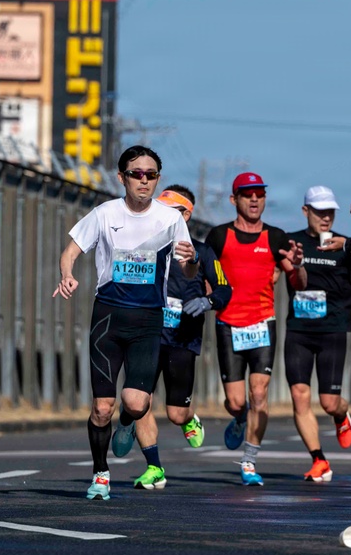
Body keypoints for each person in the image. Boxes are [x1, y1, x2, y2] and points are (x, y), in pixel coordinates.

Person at [52, 146, 197, 500]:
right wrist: (67, 274)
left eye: (150, 174)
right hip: (108, 317)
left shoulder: (170, 219)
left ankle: (129, 425)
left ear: (157, 179)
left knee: (135, 403)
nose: (143, 180)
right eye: (136, 174)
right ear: (122, 177)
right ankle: (101, 474)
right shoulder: (104, 213)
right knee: (102, 407)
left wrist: (192, 261)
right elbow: (70, 250)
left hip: (149, 320)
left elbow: (187, 270)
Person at [108, 185, 232, 489]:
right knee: (140, 402)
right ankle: (154, 467)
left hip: (182, 340)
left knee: (175, 414)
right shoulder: (145, 244)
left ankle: (188, 417)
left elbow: (224, 289)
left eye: (171, 210)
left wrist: (208, 302)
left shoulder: (202, 252)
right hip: (146, 337)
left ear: (186, 216)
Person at [205, 172, 307, 486]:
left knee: (259, 394)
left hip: (263, 323)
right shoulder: (219, 236)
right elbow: (208, 275)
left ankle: (249, 461)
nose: (254, 199)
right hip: (228, 324)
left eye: (259, 194)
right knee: (237, 401)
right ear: (234, 199)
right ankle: (238, 417)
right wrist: (210, 299)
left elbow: (298, 283)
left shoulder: (276, 237)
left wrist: (299, 265)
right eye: (247, 194)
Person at [285, 185, 351, 482]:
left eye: (330, 213)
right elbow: (287, 278)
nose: (325, 218)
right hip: (299, 330)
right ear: (306, 211)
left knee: (328, 403)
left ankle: (341, 415)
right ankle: (319, 459)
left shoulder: (345, 244)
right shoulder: (293, 243)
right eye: (319, 212)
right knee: (300, 396)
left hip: (333, 330)